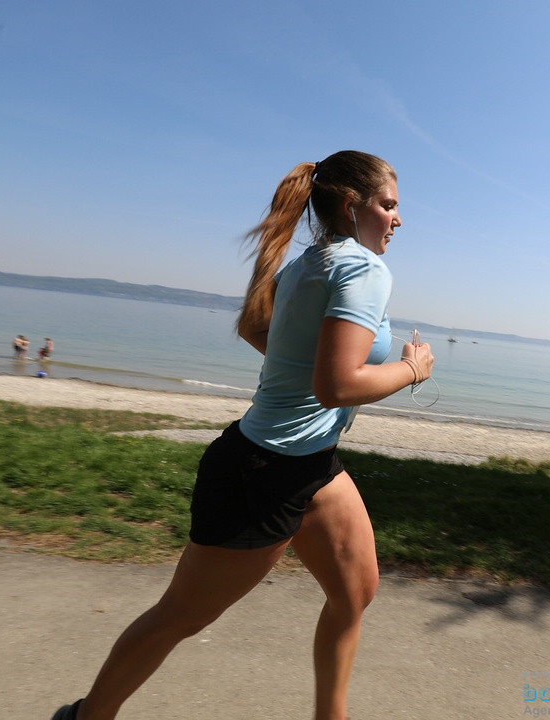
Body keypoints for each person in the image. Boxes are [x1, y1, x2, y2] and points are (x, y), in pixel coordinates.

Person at [51, 150, 434, 720]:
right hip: (262, 473)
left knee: (354, 593)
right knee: (181, 615)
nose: (398, 219)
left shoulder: (308, 263)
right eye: (389, 205)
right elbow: (337, 385)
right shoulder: (361, 268)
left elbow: (260, 331)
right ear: (353, 205)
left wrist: (307, 379)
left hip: (311, 463)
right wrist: (412, 369)